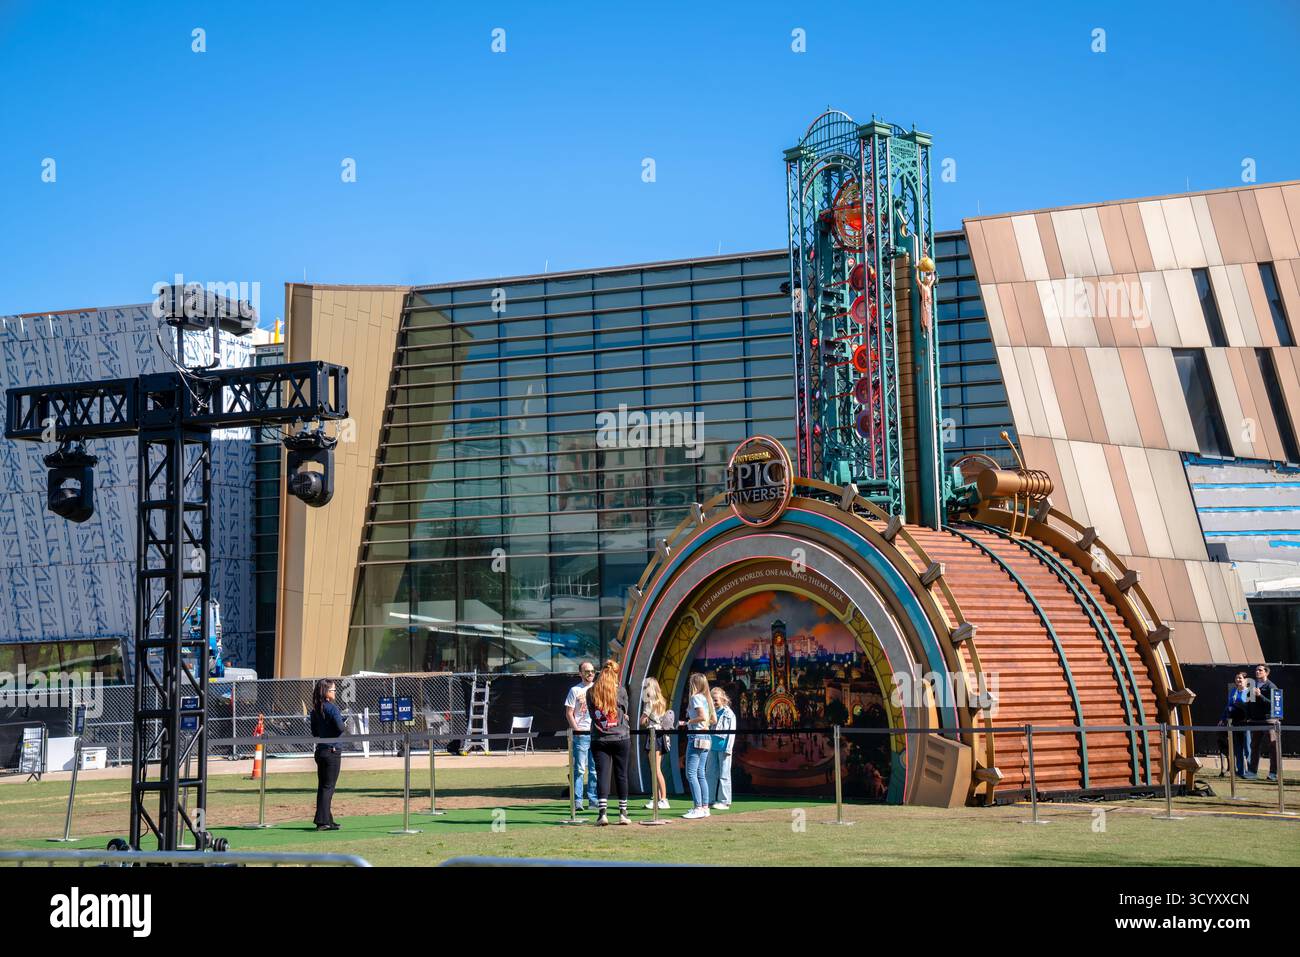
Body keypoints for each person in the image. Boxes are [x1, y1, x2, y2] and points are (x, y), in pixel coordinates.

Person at [587, 659, 631, 825]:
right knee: (621, 775)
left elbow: (592, 715)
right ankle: (623, 813)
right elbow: (625, 713)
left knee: (602, 775)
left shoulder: (591, 691)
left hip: (599, 738)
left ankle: (602, 814)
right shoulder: (620, 690)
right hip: (621, 737)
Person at [310, 678, 346, 831]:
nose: (335, 692)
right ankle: (323, 822)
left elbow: (315, 732)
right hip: (332, 751)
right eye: (333, 690)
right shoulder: (332, 708)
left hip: (321, 751)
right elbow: (340, 728)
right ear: (326, 692)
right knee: (328, 787)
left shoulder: (315, 710)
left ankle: (327, 819)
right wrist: (342, 723)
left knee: (323, 787)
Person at [564, 660, 599, 809]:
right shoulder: (575, 690)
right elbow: (569, 713)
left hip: (597, 734)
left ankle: (593, 800)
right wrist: (577, 730)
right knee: (579, 769)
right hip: (581, 735)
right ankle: (578, 801)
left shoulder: (598, 689)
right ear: (580, 673)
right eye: (587, 671)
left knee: (594, 770)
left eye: (592, 671)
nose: (590, 674)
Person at [680, 673, 715, 819]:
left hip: (696, 736)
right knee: (700, 773)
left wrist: (687, 722)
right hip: (706, 736)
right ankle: (704, 807)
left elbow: (703, 717)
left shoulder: (695, 698)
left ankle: (698, 807)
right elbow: (712, 719)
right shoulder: (707, 699)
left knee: (691, 773)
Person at [640, 677, 674, 810]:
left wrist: (644, 719)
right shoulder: (661, 701)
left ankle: (663, 799)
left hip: (654, 735)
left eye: (645, 687)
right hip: (661, 736)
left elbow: (642, 721)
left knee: (656, 769)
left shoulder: (649, 702)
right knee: (656, 768)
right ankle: (657, 798)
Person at [1248, 664, 1280, 782]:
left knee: (1273, 746)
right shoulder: (1252, 685)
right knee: (1254, 746)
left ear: (1266, 673)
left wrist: (1259, 695)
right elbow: (1250, 702)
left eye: (1260, 670)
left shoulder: (1271, 686)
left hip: (1269, 720)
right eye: (1256, 670)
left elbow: (1273, 704)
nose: (1257, 672)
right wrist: (1249, 716)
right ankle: (1252, 772)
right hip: (1256, 721)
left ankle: (1273, 773)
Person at [1219, 671, 1253, 778]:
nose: (1238, 680)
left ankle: (1251, 772)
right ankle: (1240, 771)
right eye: (1237, 678)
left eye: (1240, 678)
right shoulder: (1233, 691)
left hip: (1246, 723)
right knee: (1238, 748)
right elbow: (1227, 706)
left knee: (1247, 748)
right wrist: (1222, 718)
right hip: (1235, 723)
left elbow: (1250, 709)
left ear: (1245, 680)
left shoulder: (1249, 692)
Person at [708, 686, 736, 810]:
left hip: (724, 748)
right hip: (710, 747)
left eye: (716, 700)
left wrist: (729, 748)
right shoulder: (709, 712)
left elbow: (732, 733)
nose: (714, 703)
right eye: (711, 700)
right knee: (710, 774)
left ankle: (724, 801)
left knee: (724, 774)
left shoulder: (729, 714)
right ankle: (709, 799)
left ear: (722, 700)